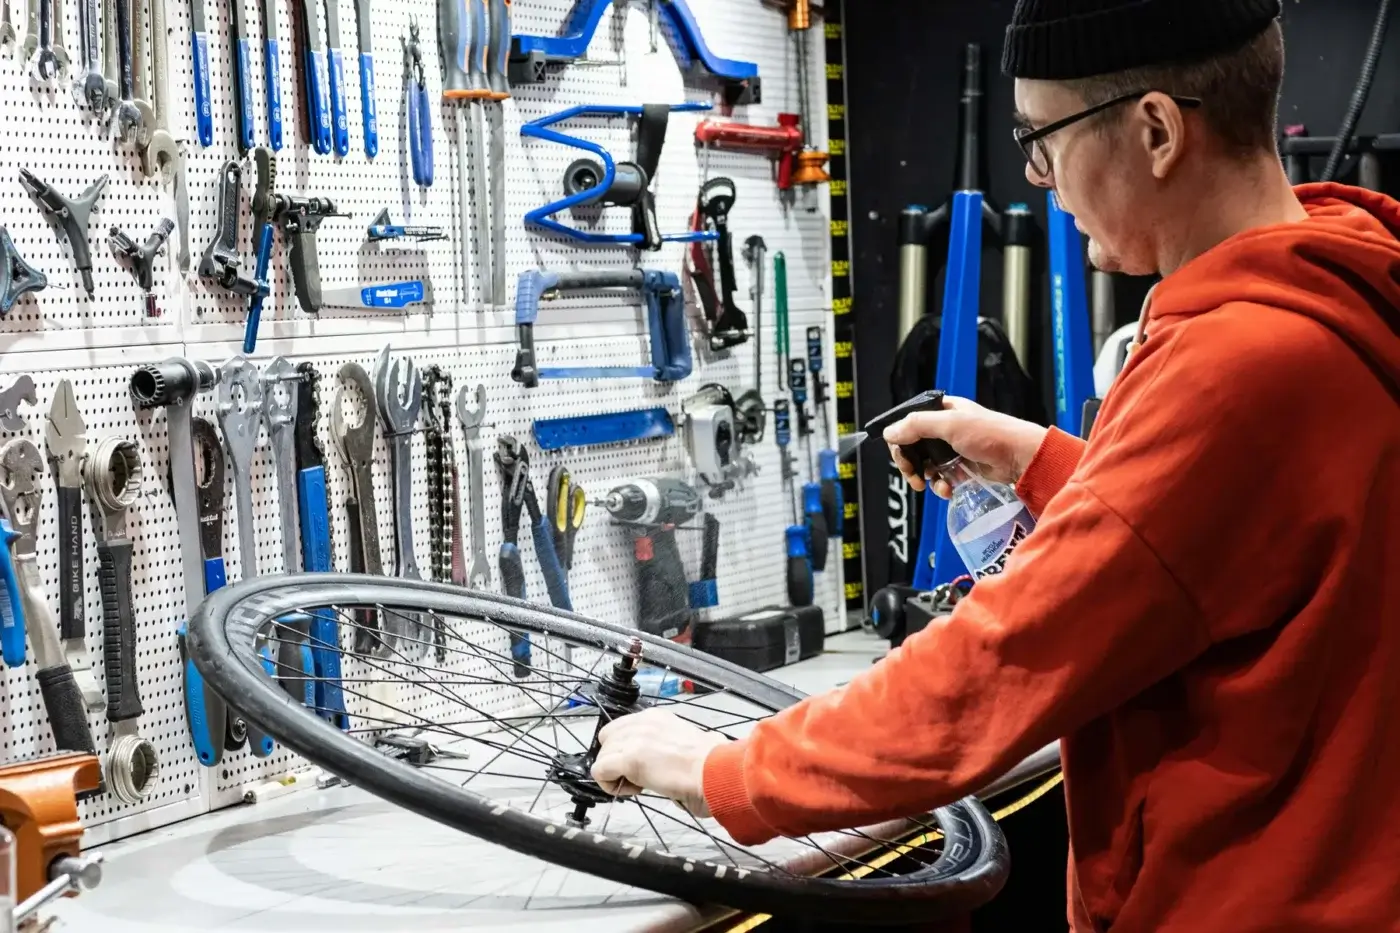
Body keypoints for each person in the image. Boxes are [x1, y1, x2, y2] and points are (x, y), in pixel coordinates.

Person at [593, 0, 1400, 928]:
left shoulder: (1234, 364)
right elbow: (1239, 546)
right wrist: (1050, 463)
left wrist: (719, 769)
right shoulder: (1341, 294)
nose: (1035, 172)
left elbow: (996, 664)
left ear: (1156, 130)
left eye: (1040, 136)